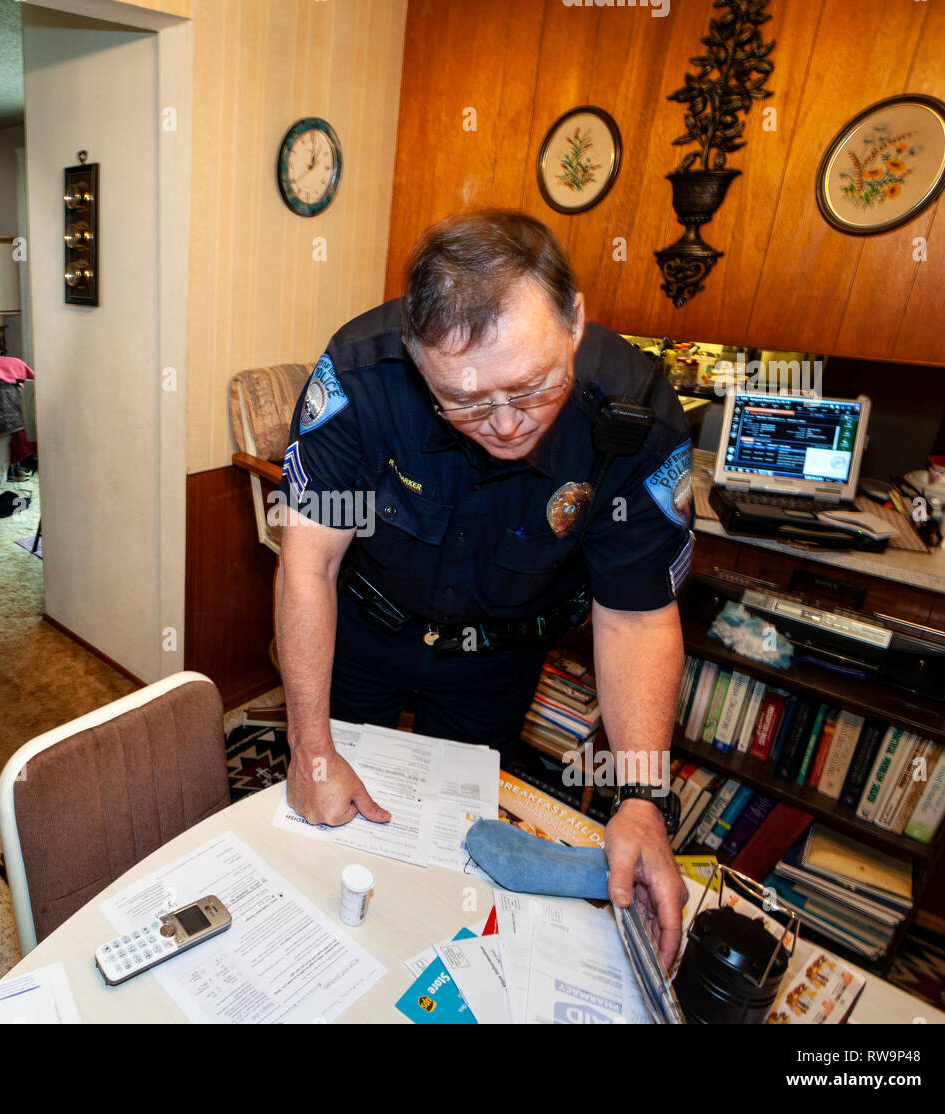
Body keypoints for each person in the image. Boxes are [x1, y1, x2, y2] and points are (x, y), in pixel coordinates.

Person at [274, 210, 694, 966]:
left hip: (496, 661)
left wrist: (641, 797)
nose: (504, 425)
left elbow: (635, 617)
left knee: (454, 862)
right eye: (463, 401)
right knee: (322, 831)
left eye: (532, 387)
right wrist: (310, 753)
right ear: (413, 353)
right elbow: (310, 563)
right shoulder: (360, 376)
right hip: (360, 632)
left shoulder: (637, 414)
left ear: (574, 319)